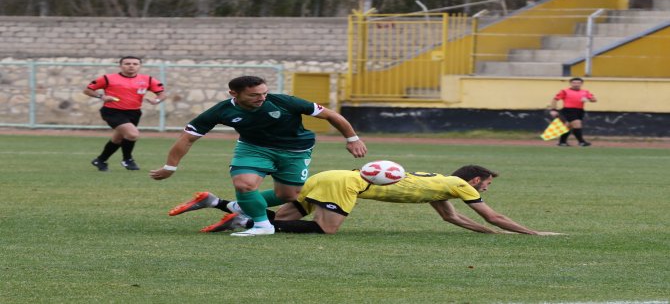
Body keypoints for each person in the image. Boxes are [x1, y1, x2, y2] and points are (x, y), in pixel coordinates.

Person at [150, 75, 367, 237]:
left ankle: (232, 205)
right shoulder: (221, 111)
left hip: (296, 150)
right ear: (234, 94)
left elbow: (330, 115)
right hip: (253, 148)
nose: (261, 98)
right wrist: (170, 167)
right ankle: (263, 226)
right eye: (254, 95)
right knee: (245, 184)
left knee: (288, 195)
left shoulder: (284, 101)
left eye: (264, 93)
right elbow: (187, 137)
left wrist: (352, 138)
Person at [171, 165, 562, 236]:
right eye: (487, 183)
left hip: (331, 175)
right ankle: (246, 221)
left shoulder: (443, 185)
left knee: (285, 215)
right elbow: (492, 216)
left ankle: (218, 203)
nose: (486, 190)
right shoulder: (463, 186)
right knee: (326, 230)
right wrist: (532, 232)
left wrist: (489, 236)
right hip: (345, 185)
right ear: (476, 179)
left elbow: (451, 219)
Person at [84, 56, 166, 171]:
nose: (131, 66)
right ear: (120, 65)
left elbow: (162, 94)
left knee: (117, 139)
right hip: (112, 111)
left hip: (134, 113)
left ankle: (100, 160)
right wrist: (102, 96)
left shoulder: (148, 80)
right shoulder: (108, 78)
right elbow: (87, 90)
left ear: (139, 66)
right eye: (127, 64)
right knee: (132, 134)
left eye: (135, 64)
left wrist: (156, 100)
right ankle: (127, 160)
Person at [549, 77, 597, 147]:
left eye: (578, 83)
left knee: (568, 127)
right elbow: (555, 99)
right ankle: (581, 142)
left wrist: (588, 99)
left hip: (579, 111)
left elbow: (594, 100)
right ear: (570, 83)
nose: (576, 84)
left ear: (581, 84)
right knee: (577, 124)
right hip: (568, 110)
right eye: (574, 83)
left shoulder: (585, 92)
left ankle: (562, 142)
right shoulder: (565, 91)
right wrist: (553, 109)